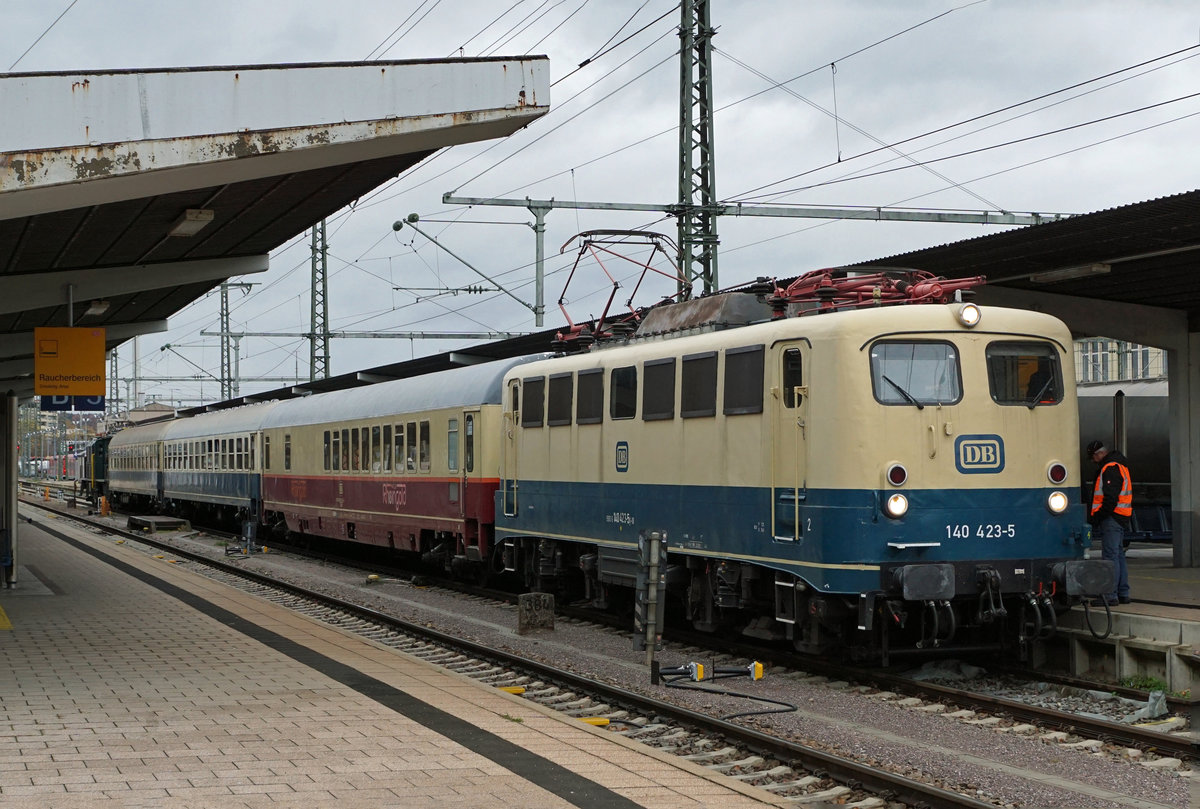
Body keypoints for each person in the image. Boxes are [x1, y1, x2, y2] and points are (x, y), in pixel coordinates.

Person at [1086, 440, 1132, 606]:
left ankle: (1110, 595)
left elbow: (1110, 498)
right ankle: (1123, 592)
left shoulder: (1110, 468)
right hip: (1121, 516)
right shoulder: (1120, 465)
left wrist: (1097, 517)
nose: (1093, 462)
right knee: (1118, 554)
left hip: (1111, 518)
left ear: (1099, 454)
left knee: (1110, 557)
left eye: (1093, 458)